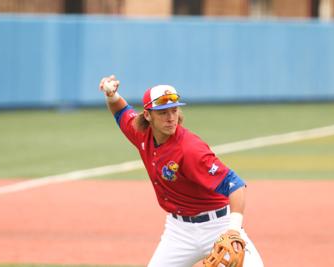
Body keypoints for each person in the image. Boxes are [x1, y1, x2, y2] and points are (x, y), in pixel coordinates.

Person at [99, 75, 264, 267]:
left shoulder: (191, 149)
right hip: (179, 232)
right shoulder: (141, 133)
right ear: (147, 116)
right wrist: (111, 94)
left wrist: (233, 230)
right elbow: (121, 112)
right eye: (162, 112)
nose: (170, 118)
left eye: (174, 110)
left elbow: (235, 184)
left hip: (217, 226)